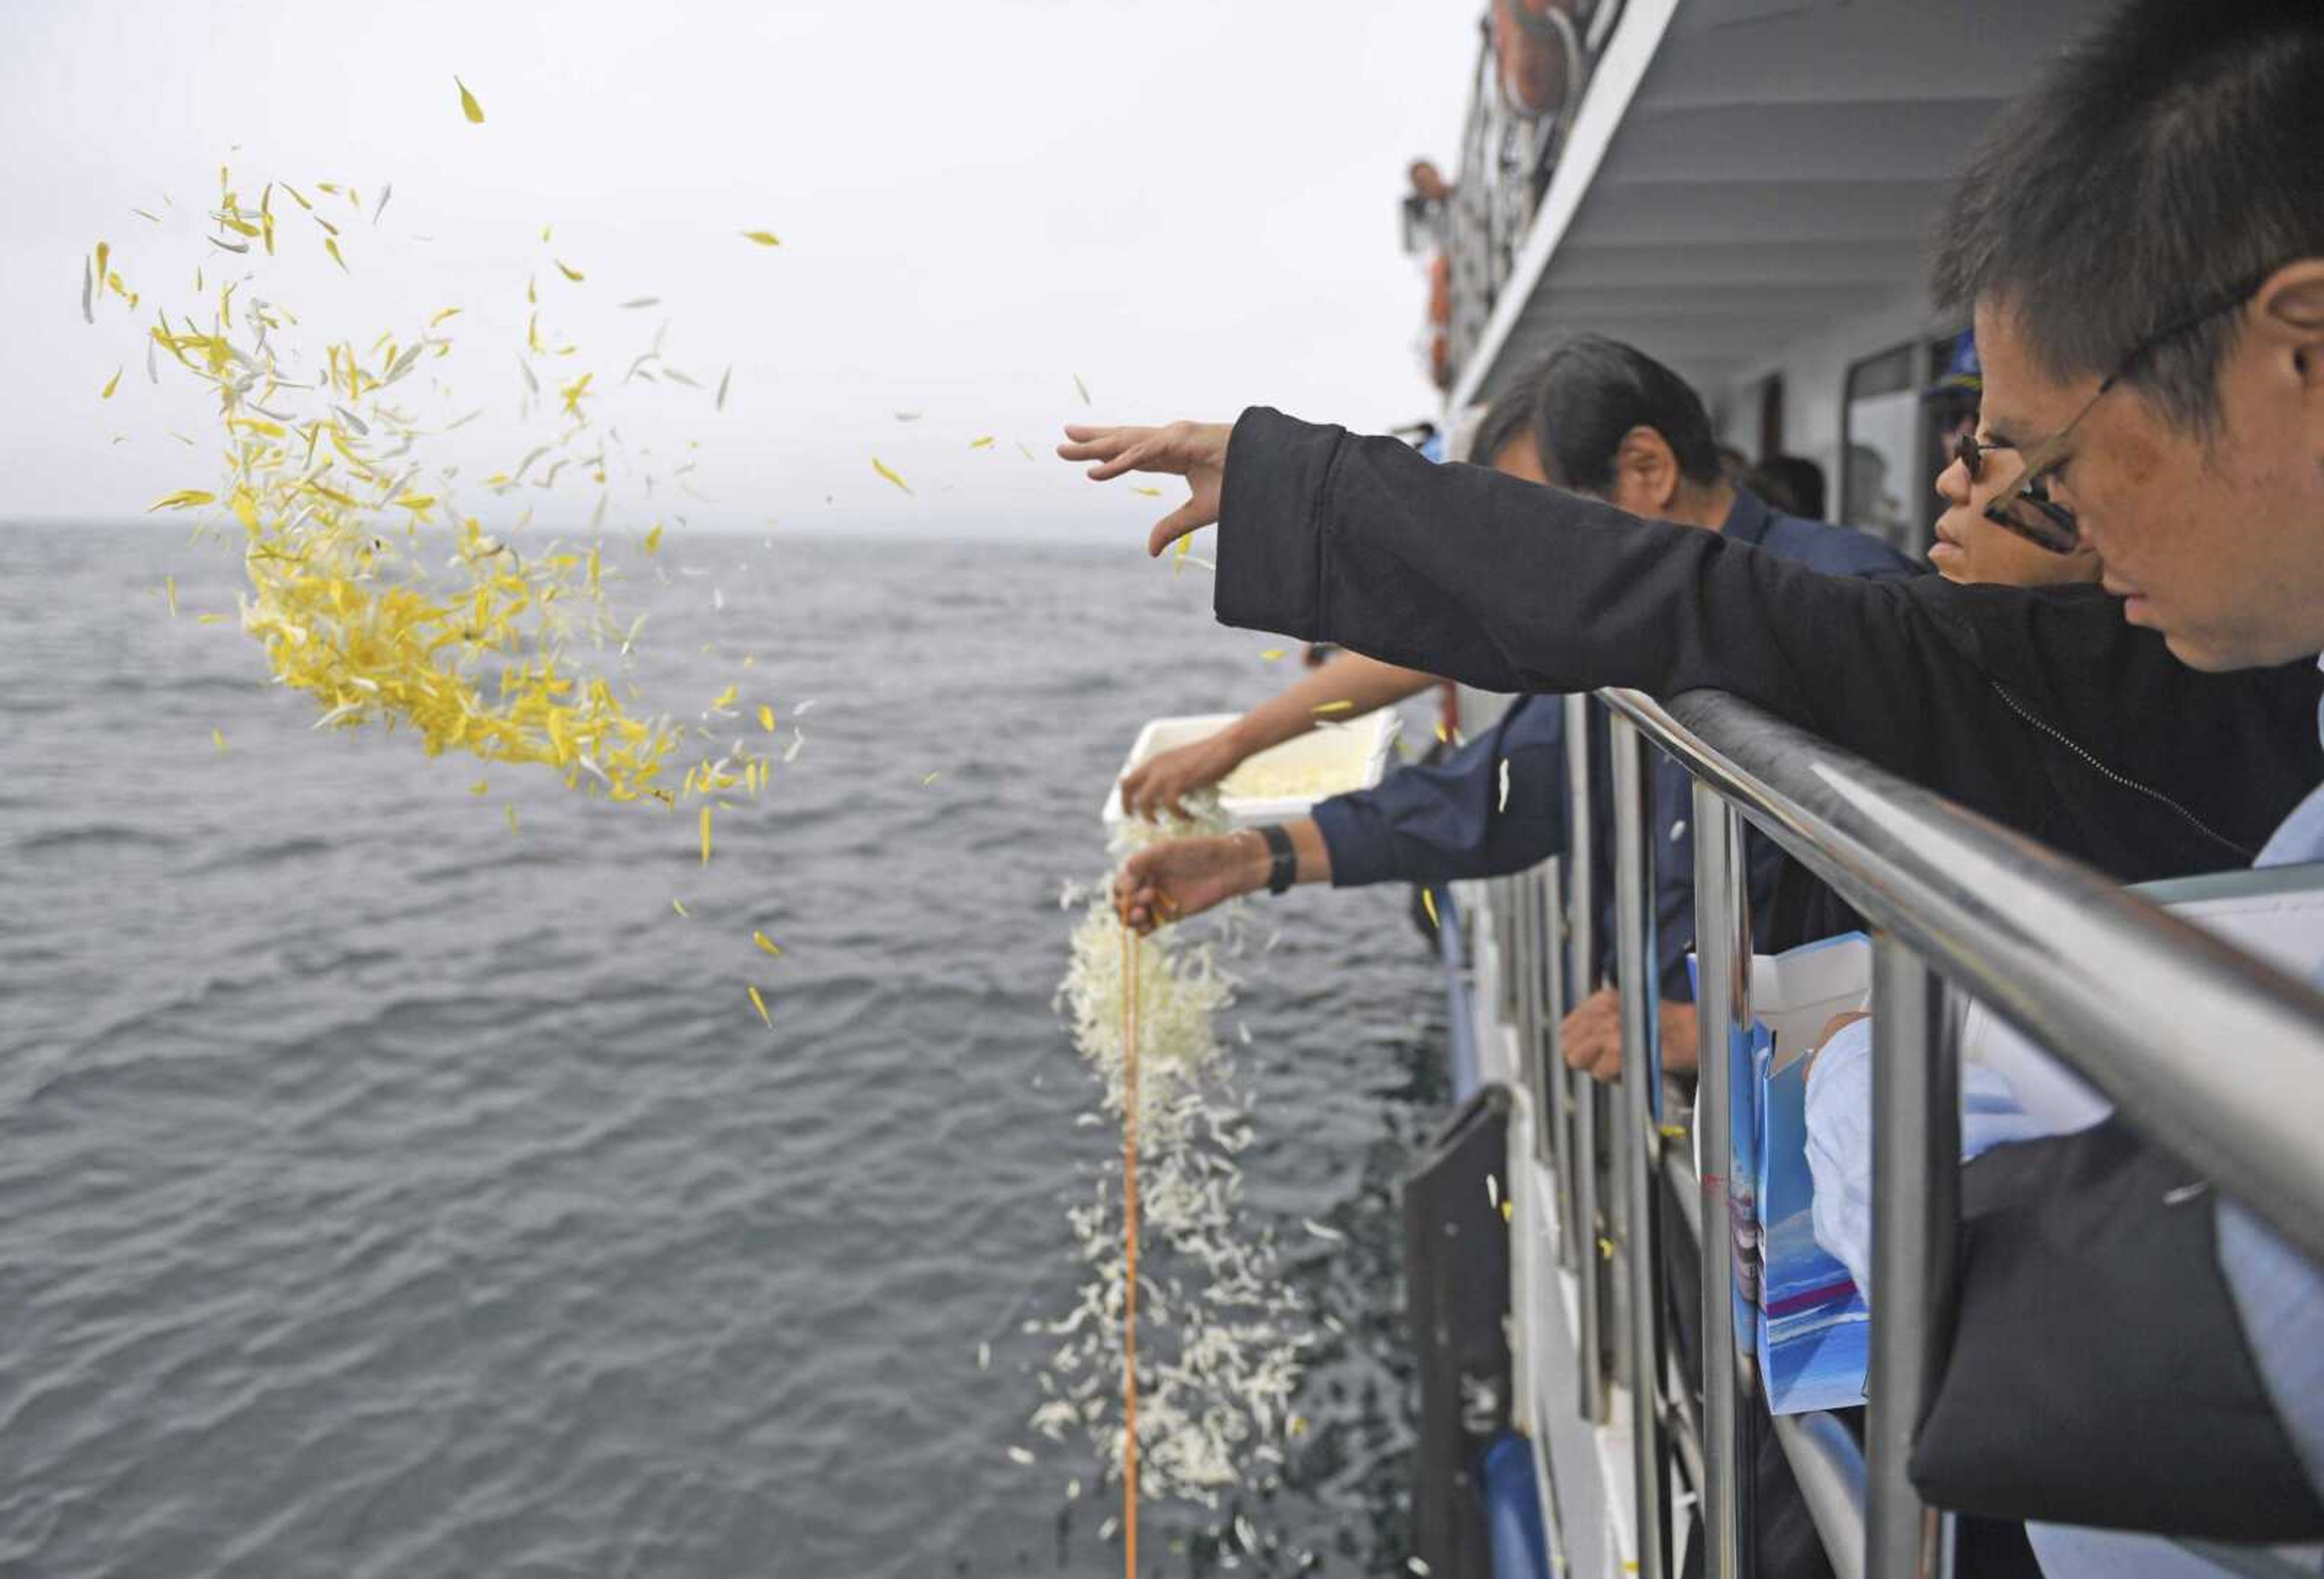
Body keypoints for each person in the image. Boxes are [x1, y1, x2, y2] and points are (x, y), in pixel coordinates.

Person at [1061, 0, 2324, 1544]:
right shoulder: (2173, 680)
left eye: (2044, 470)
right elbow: (1564, 728)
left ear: (2299, 347)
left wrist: (1839, 1085)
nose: (2045, 523)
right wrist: (1289, 561)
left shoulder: (1995, 647)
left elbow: (2086, 1352)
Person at [1115, 337, 1917, 1088]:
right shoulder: (1629, 659)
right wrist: (1246, 858)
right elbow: (1485, 796)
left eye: (1538, 533)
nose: (1520, 581)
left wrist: (1729, 1028)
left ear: (1646, 467)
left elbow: (1967, 940)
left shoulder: (1854, 608)